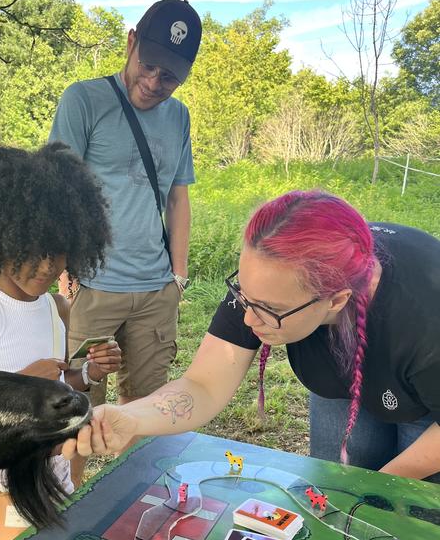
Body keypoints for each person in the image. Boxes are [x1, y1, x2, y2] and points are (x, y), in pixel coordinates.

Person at [62, 190, 440, 483]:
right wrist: (131, 417)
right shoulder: (267, 282)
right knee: (335, 478)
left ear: (336, 300)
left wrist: (380, 490)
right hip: (346, 374)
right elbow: (203, 384)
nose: (246, 316)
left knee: (413, 511)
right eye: (244, 295)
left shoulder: (425, 316)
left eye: (267, 309)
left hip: (428, 395)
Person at [0, 143, 122, 540]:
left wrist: (88, 373)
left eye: (58, 251)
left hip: (52, 463)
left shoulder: (58, 308)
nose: (46, 265)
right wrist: (19, 386)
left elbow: (61, 388)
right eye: (32, 249)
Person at [49, 0, 202, 479]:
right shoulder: (83, 100)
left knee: (148, 405)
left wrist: (177, 275)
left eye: (169, 77)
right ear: (131, 42)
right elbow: (57, 193)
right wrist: (62, 272)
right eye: (149, 66)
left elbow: (178, 198)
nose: (154, 83)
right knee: (77, 408)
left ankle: (136, 497)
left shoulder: (179, 118)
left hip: (156, 291)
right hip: (93, 288)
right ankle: (71, 506)